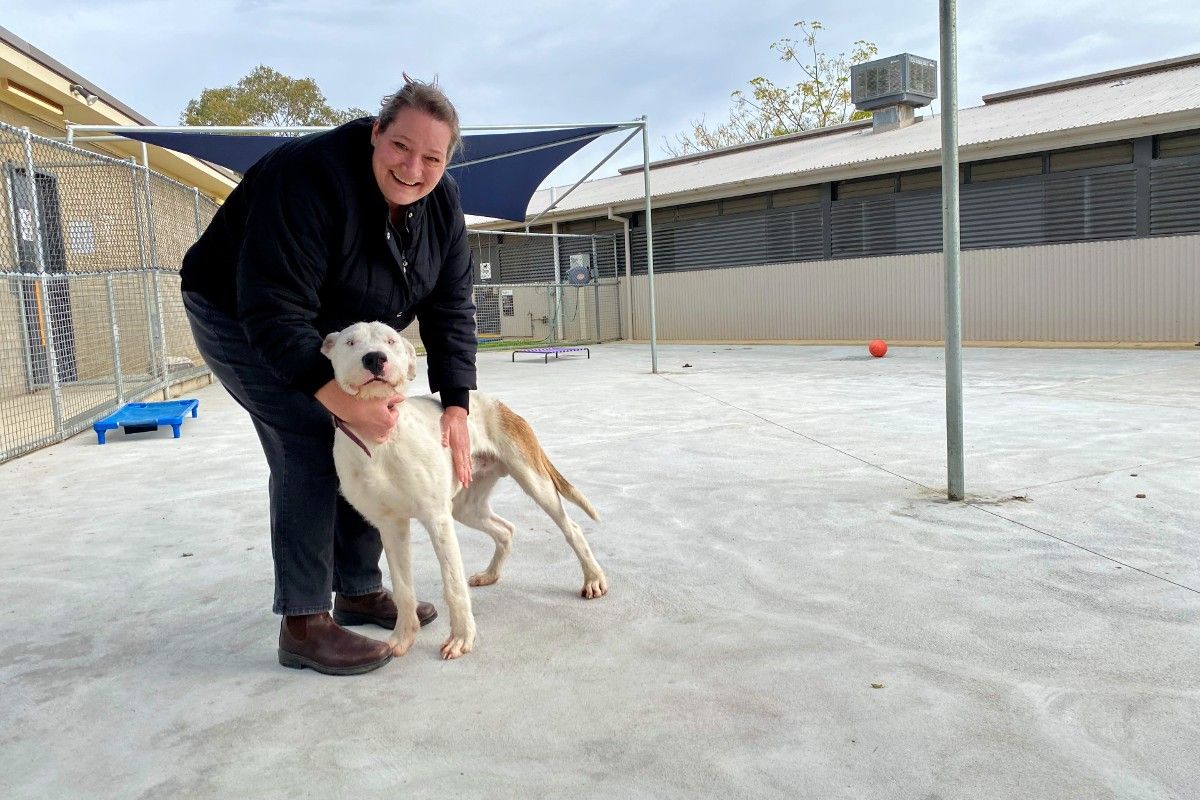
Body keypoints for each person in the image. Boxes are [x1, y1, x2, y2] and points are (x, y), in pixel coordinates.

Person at [181, 76, 477, 676]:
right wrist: (332, 399)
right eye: (400, 146)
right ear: (375, 134)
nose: (413, 167)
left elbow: (451, 304)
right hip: (239, 310)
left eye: (432, 158)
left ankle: (359, 587)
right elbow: (270, 308)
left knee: (372, 437)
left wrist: (456, 404)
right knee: (309, 432)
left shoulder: (441, 205)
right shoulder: (310, 178)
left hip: (327, 322)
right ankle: (305, 622)